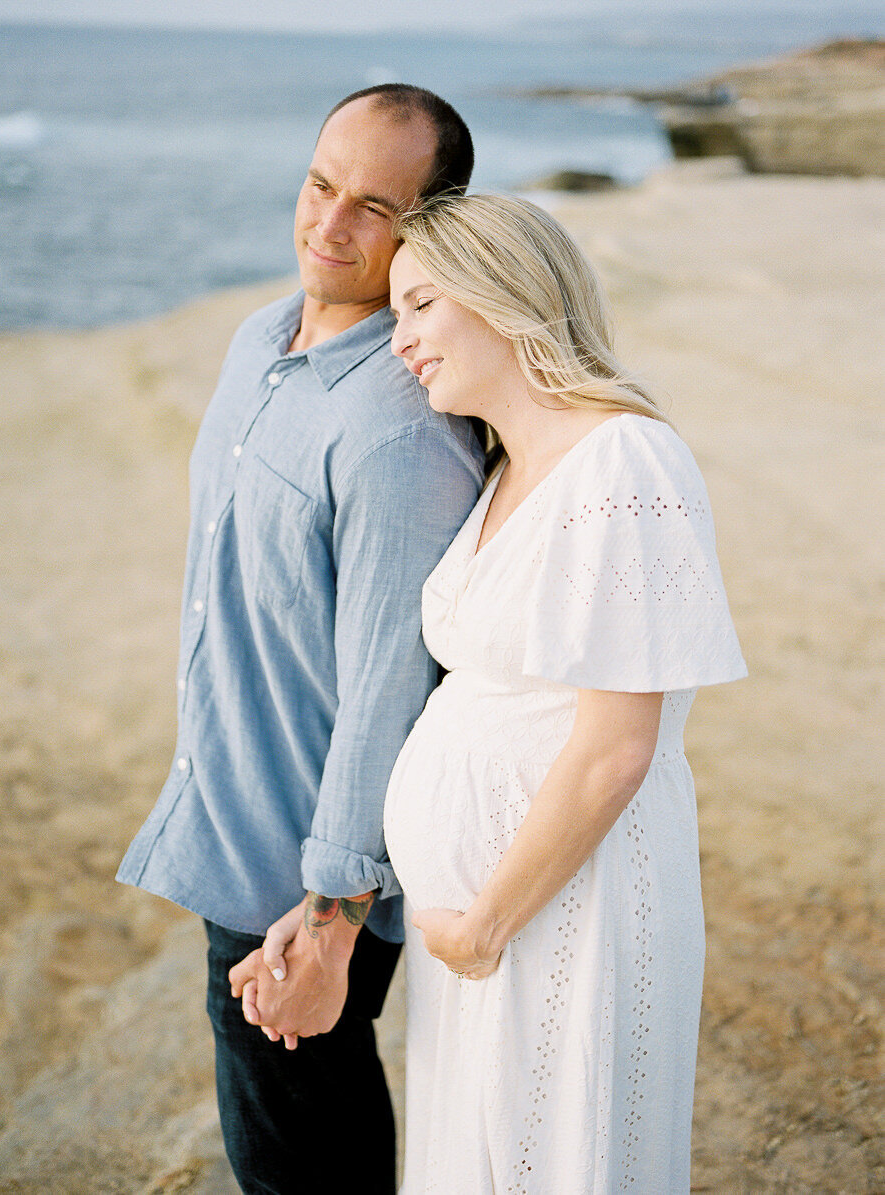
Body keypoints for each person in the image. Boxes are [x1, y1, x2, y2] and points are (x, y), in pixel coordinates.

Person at [116, 86, 483, 1195]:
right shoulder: (256, 337)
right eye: (321, 184)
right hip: (233, 821)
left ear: (429, 227)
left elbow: (388, 687)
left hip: (302, 876)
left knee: (299, 1162)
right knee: (277, 1138)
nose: (329, 225)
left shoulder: (399, 431)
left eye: (374, 205)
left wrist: (330, 919)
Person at [383, 192, 747, 1193]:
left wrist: (485, 920)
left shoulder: (625, 462)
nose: (400, 338)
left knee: (569, 1157)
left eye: (419, 305)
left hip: (563, 910)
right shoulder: (506, 470)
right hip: (487, 921)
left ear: (498, 293)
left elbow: (616, 746)